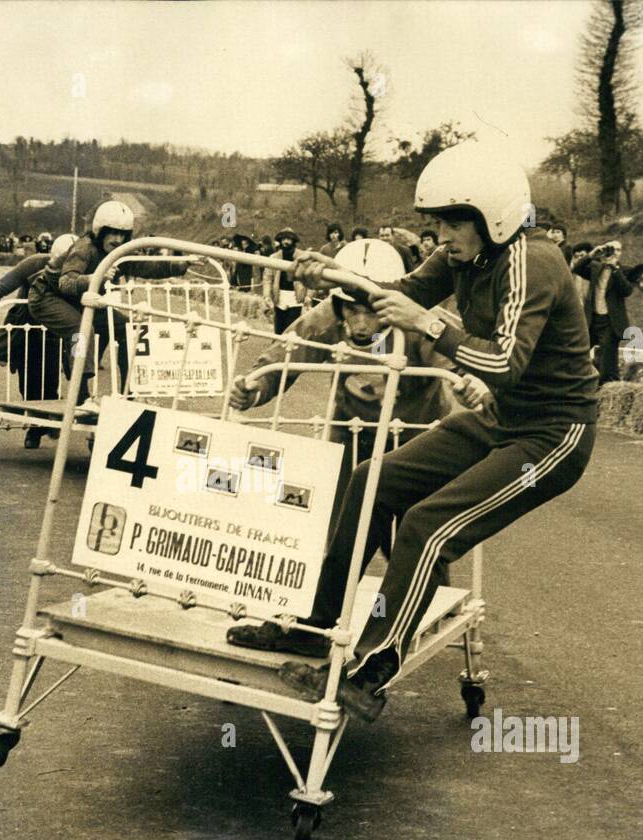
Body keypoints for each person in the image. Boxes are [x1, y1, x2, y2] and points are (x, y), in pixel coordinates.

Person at [229, 142, 597, 723]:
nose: (442, 236)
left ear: (492, 217)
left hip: (554, 434)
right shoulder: (461, 259)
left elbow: (505, 364)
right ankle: (313, 625)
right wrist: (331, 274)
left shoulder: (535, 260)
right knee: (369, 479)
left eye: (453, 223)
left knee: (428, 527)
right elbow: (396, 295)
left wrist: (428, 324)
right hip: (500, 421)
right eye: (438, 223)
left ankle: (374, 670)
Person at [229, 238, 454, 537]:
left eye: (371, 310)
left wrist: (470, 385)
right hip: (351, 428)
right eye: (351, 309)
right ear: (337, 301)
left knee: (416, 532)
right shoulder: (325, 317)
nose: (361, 323)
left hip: (414, 434)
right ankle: (331, 576)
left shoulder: (416, 325)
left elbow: (457, 370)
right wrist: (254, 387)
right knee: (336, 530)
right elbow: (285, 355)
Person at [28, 201, 189, 404]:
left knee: (129, 327)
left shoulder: (121, 251)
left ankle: (130, 391)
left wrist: (182, 265)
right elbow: (66, 282)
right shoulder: (84, 248)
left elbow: (146, 267)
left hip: (83, 300)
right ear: (100, 231)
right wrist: (95, 276)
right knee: (80, 329)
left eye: (123, 235)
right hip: (48, 297)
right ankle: (80, 395)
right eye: (112, 233)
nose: (118, 239)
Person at [0, 233, 76, 408]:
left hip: (60, 334)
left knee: (57, 381)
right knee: (29, 387)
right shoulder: (35, 263)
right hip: (28, 331)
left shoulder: (83, 271)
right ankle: (36, 428)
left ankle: (54, 420)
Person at [571, 241, 631, 385]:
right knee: (577, 351)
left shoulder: (624, 270)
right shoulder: (595, 267)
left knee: (607, 363)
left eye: (617, 250)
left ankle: (605, 389)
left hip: (610, 322)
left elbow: (627, 290)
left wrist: (615, 268)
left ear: (621, 253)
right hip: (592, 318)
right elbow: (577, 268)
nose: (614, 253)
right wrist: (591, 255)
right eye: (610, 250)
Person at [263, 227, 304, 334]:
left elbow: (309, 278)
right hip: (279, 296)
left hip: (296, 297)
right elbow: (267, 278)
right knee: (279, 330)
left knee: (291, 330)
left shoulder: (302, 257)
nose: (286, 242)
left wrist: (308, 296)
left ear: (293, 241)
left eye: (289, 239)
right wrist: (267, 295)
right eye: (283, 239)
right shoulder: (274, 257)